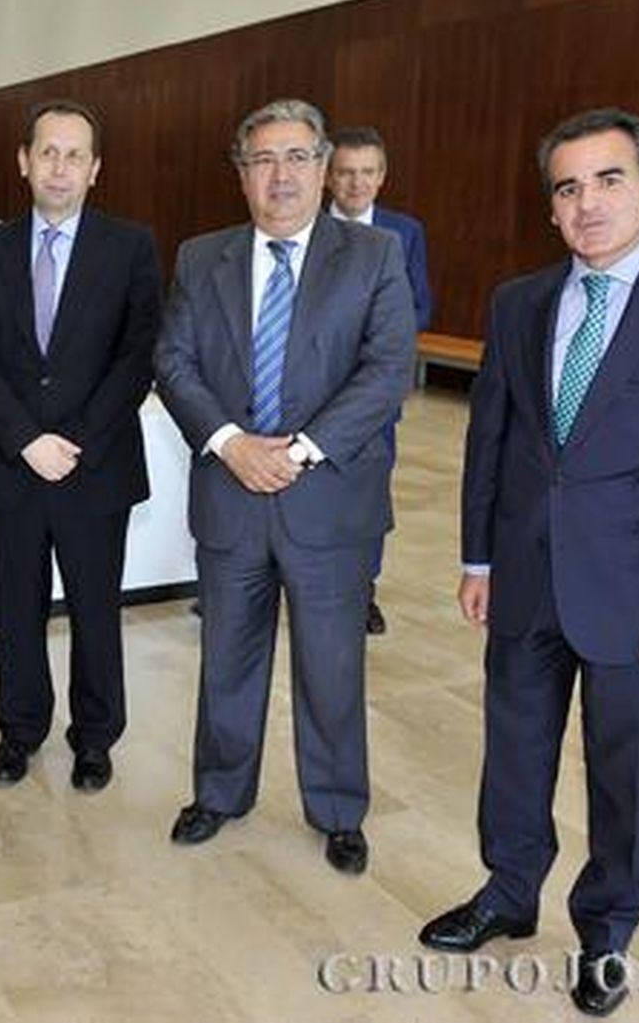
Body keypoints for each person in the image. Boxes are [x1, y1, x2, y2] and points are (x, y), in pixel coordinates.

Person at [417, 108, 639, 1017]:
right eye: (568, 187)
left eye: (609, 179)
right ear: (552, 207)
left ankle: (608, 927)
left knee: (625, 769)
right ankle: (507, 889)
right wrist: (478, 558)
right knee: (515, 748)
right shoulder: (519, 301)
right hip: (527, 579)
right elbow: (490, 441)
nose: (589, 202)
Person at [153, 99, 415, 873]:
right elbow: (174, 361)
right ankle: (219, 794)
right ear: (240, 174)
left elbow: (387, 370)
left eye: (297, 157)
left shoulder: (373, 256)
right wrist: (232, 444)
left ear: (324, 165)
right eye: (262, 159)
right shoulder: (202, 258)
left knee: (331, 665)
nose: (281, 175)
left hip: (329, 500)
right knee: (227, 657)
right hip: (231, 496)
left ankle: (338, 809)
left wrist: (298, 451)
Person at [0, 99, 161, 793]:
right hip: (14, 467)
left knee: (96, 610)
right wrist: (24, 440)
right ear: (23, 161)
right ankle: (20, 730)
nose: (61, 167)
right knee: (16, 609)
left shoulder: (131, 247)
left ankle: (95, 737)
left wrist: (68, 440)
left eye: (76, 155)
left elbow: (137, 358)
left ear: (96, 169)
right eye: (48, 152)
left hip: (94, 466)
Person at [326, 125, 432, 635]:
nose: (355, 184)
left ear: (382, 176)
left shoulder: (403, 232)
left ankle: (362, 590)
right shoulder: (298, 225)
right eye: (345, 172)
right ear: (327, 176)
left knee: (367, 493)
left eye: (367, 172)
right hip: (302, 391)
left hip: (371, 394)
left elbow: (418, 307)